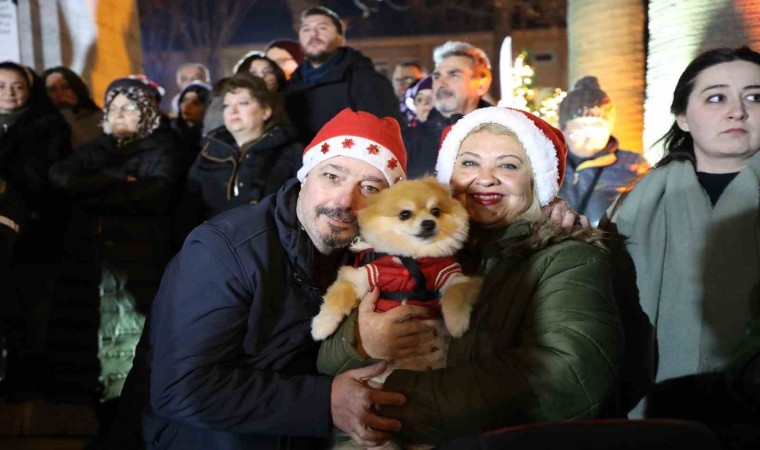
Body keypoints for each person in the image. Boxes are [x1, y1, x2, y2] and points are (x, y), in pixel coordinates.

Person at [318, 106, 626, 447]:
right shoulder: (414, 246)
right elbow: (325, 356)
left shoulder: (567, 257)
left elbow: (569, 374)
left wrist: (387, 401)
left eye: (508, 165)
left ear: (537, 178)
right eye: (469, 163)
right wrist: (361, 341)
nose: (486, 178)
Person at [128, 108, 434, 450]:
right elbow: (181, 388)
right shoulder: (226, 251)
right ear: (306, 175)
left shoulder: (370, 257)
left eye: (370, 188)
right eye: (332, 176)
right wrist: (326, 401)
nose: (345, 201)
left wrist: (363, 343)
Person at [602, 47, 760, 430]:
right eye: (716, 98)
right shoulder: (633, 206)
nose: (737, 111)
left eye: (755, 97)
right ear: (683, 116)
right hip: (658, 416)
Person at [48, 76, 179, 433]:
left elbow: (155, 193)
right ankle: (104, 419)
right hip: (92, 259)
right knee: (91, 341)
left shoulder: (162, 146)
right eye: (114, 107)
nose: (119, 114)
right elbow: (61, 177)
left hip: (139, 257)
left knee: (130, 340)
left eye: (129, 107)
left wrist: (93, 187)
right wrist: (120, 179)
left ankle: (128, 423)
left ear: (147, 112)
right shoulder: (97, 147)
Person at [0, 61, 70, 398]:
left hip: (34, 231)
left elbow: (47, 176)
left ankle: (26, 380)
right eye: (1, 86)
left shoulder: (48, 125)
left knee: (28, 310)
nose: (9, 93)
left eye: (18, 86)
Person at [185, 74, 301, 221]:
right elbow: (189, 206)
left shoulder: (291, 153)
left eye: (243, 103)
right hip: (212, 234)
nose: (232, 110)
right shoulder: (209, 152)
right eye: (226, 105)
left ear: (266, 111)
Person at [284, 6, 402, 145]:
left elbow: (385, 138)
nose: (313, 34)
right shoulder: (291, 87)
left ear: (340, 38)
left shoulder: (366, 81)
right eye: (306, 29)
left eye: (322, 28)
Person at [557, 76, 647, 226]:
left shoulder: (634, 167)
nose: (588, 138)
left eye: (597, 128)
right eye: (578, 130)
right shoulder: (547, 166)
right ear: (563, 131)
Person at [404, 41, 492, 178]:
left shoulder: (505, 139)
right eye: (437, 76)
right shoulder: (406, 143)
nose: (441, 83)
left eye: (453, 74)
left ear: (482, 85)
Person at [42, 66, 104, 149]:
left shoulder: (100, 119)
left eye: (65, 87)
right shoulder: (39, 124)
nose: (59, 94)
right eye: (52, 90)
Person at [171, 81, 211, 175]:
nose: (187, 106)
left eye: (195, 103)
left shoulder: (210, 138)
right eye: (185, 100)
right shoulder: (171, 133)